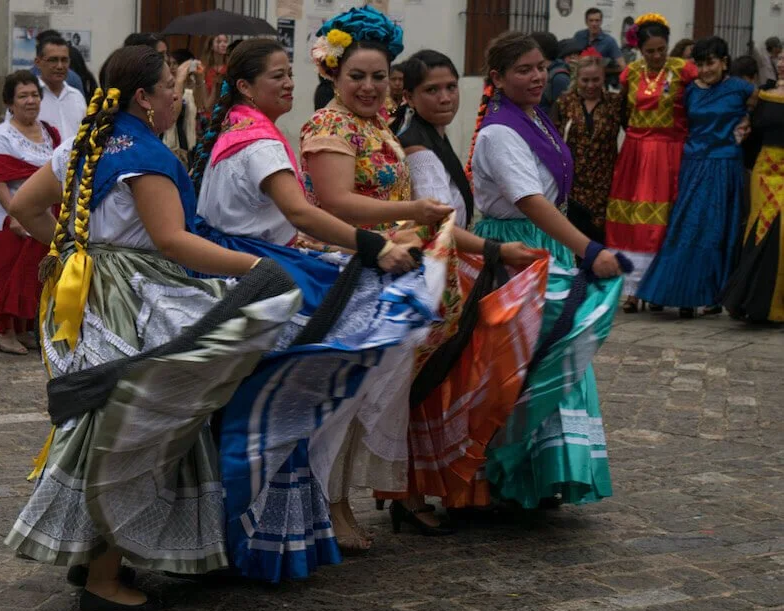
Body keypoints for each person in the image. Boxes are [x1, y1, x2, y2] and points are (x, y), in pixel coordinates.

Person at [4, 44, 301, 611]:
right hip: (136, 295)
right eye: (170, 86)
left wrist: (73, 251)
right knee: (143, 425)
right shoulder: (143, 153)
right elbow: (172, 241)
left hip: (88, 293)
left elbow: (24, 207)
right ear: (144, 97)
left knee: (105, 420)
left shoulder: (87, 143)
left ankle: (95, 556)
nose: (176, 95)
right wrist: (258, 267)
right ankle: (105, 575)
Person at [189, 37, 445, 580]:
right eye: (276, 76)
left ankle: (250, 532)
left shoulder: (246, 130)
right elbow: (304, 213)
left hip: (258, 269)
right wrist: (372, 245)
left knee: (272, 408)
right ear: (244, 86)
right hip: (262, 279)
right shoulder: (261, 140)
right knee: (286, 409)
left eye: (289, 73)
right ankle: (259, 535)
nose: (288, 84)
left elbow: (284, 220)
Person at [300, 6, 539, 548]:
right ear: (333, 75)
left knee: (379, 401)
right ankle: (330, 508)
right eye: (356, 76)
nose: (368, 86)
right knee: (344, 401)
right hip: (349, 270)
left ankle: (354, 503)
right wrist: (411, 214)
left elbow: (405, 209)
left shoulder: (378, 125)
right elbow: (337, 203)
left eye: (379, 77)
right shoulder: (329, 126)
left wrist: (469, 242)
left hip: (393, 271)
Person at [470, 31, 625, 510]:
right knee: (526, 359)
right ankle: (508, 472)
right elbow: (530, 201)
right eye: (523, 69)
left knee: (556, 352)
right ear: (497, 78)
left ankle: (542, 474)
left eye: (540, 67)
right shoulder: (500, 131)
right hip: (516, 248)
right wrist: (589, 248)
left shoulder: (534, 118)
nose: (537, 76)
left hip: (542, 246)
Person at [636, 37, 757, 318]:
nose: (705, 70)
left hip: (726, 165)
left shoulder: (741, 88)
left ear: (724, 62)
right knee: (686, 227)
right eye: (700, 64)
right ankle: (671, 290)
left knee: (719, 231)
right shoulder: (689, 91)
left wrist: (748, 119)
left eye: (711, 63)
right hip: (694, 164)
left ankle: (712, 294)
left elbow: (759, 104)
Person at [604, 13, 697, 311]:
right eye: (650, 51)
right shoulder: (629, 74)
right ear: (640, 50)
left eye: (661, 49)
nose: (657, 56)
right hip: (635, 152)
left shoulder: (684, 71)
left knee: (663, 221)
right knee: (632, 221)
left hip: (670, 153)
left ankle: (661, 287)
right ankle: (632, 288)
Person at [0, 71, 61, 354]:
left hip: (42, 218)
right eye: (23, 96)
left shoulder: (50, 132)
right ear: (10, 103)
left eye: (34, 95)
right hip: (9, 220)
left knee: (34, 276)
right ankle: (4, 333)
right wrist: (14, 215)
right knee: (9, 277)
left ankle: (26, 330)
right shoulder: (3, 135)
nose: (30, 101)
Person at [723, 55, 784, 322]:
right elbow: (753, 135)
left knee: (779, 232)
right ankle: (747, 300)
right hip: (763, 171)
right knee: (757, 229)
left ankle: (774, 305)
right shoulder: (764, 96)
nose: (782, 63)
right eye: (781, 57)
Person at [393, 51, 473, 230]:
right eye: (432, 90)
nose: (445, 99)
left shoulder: (434, 135)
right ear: (409, 97)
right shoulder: (419, 152)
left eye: (451, 87)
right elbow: (440, 225)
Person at [553, 54, 622, 240]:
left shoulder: (615, 103)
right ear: (577, 79)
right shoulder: (564, 102)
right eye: (585, 80)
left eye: (595, 80)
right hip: (572, 185)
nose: (590, 85)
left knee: (601, 240)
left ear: (603, 78)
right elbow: (553, 141)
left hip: (605, 185)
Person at [29, 35, 87, 140]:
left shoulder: (77, 97)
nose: (60, 66)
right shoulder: (27, 98)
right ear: (38, 62)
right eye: (53, 60)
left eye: (64, 60)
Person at [573, 7, 625, 88]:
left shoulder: (609, 41)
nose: (594, 24)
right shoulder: (579, 36)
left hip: (598, 86)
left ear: (601, 22)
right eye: (591, 20)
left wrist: (601, 70)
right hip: (579, 83)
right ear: (586, 22)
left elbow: (622, 66)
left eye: (597, 20)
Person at [540, 38, 584, 114]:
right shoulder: (559, 75)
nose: (573, 58)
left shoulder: (586, 74)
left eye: (576, 54)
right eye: (569, 55)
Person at [201, 33, 230, 112]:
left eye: (225, 41)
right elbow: (206, 104)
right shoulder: (205, 69)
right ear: (211, 46)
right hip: (209, 114)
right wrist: (215, 85)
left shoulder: (230, 67)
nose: (223, 44)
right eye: (219, 42)